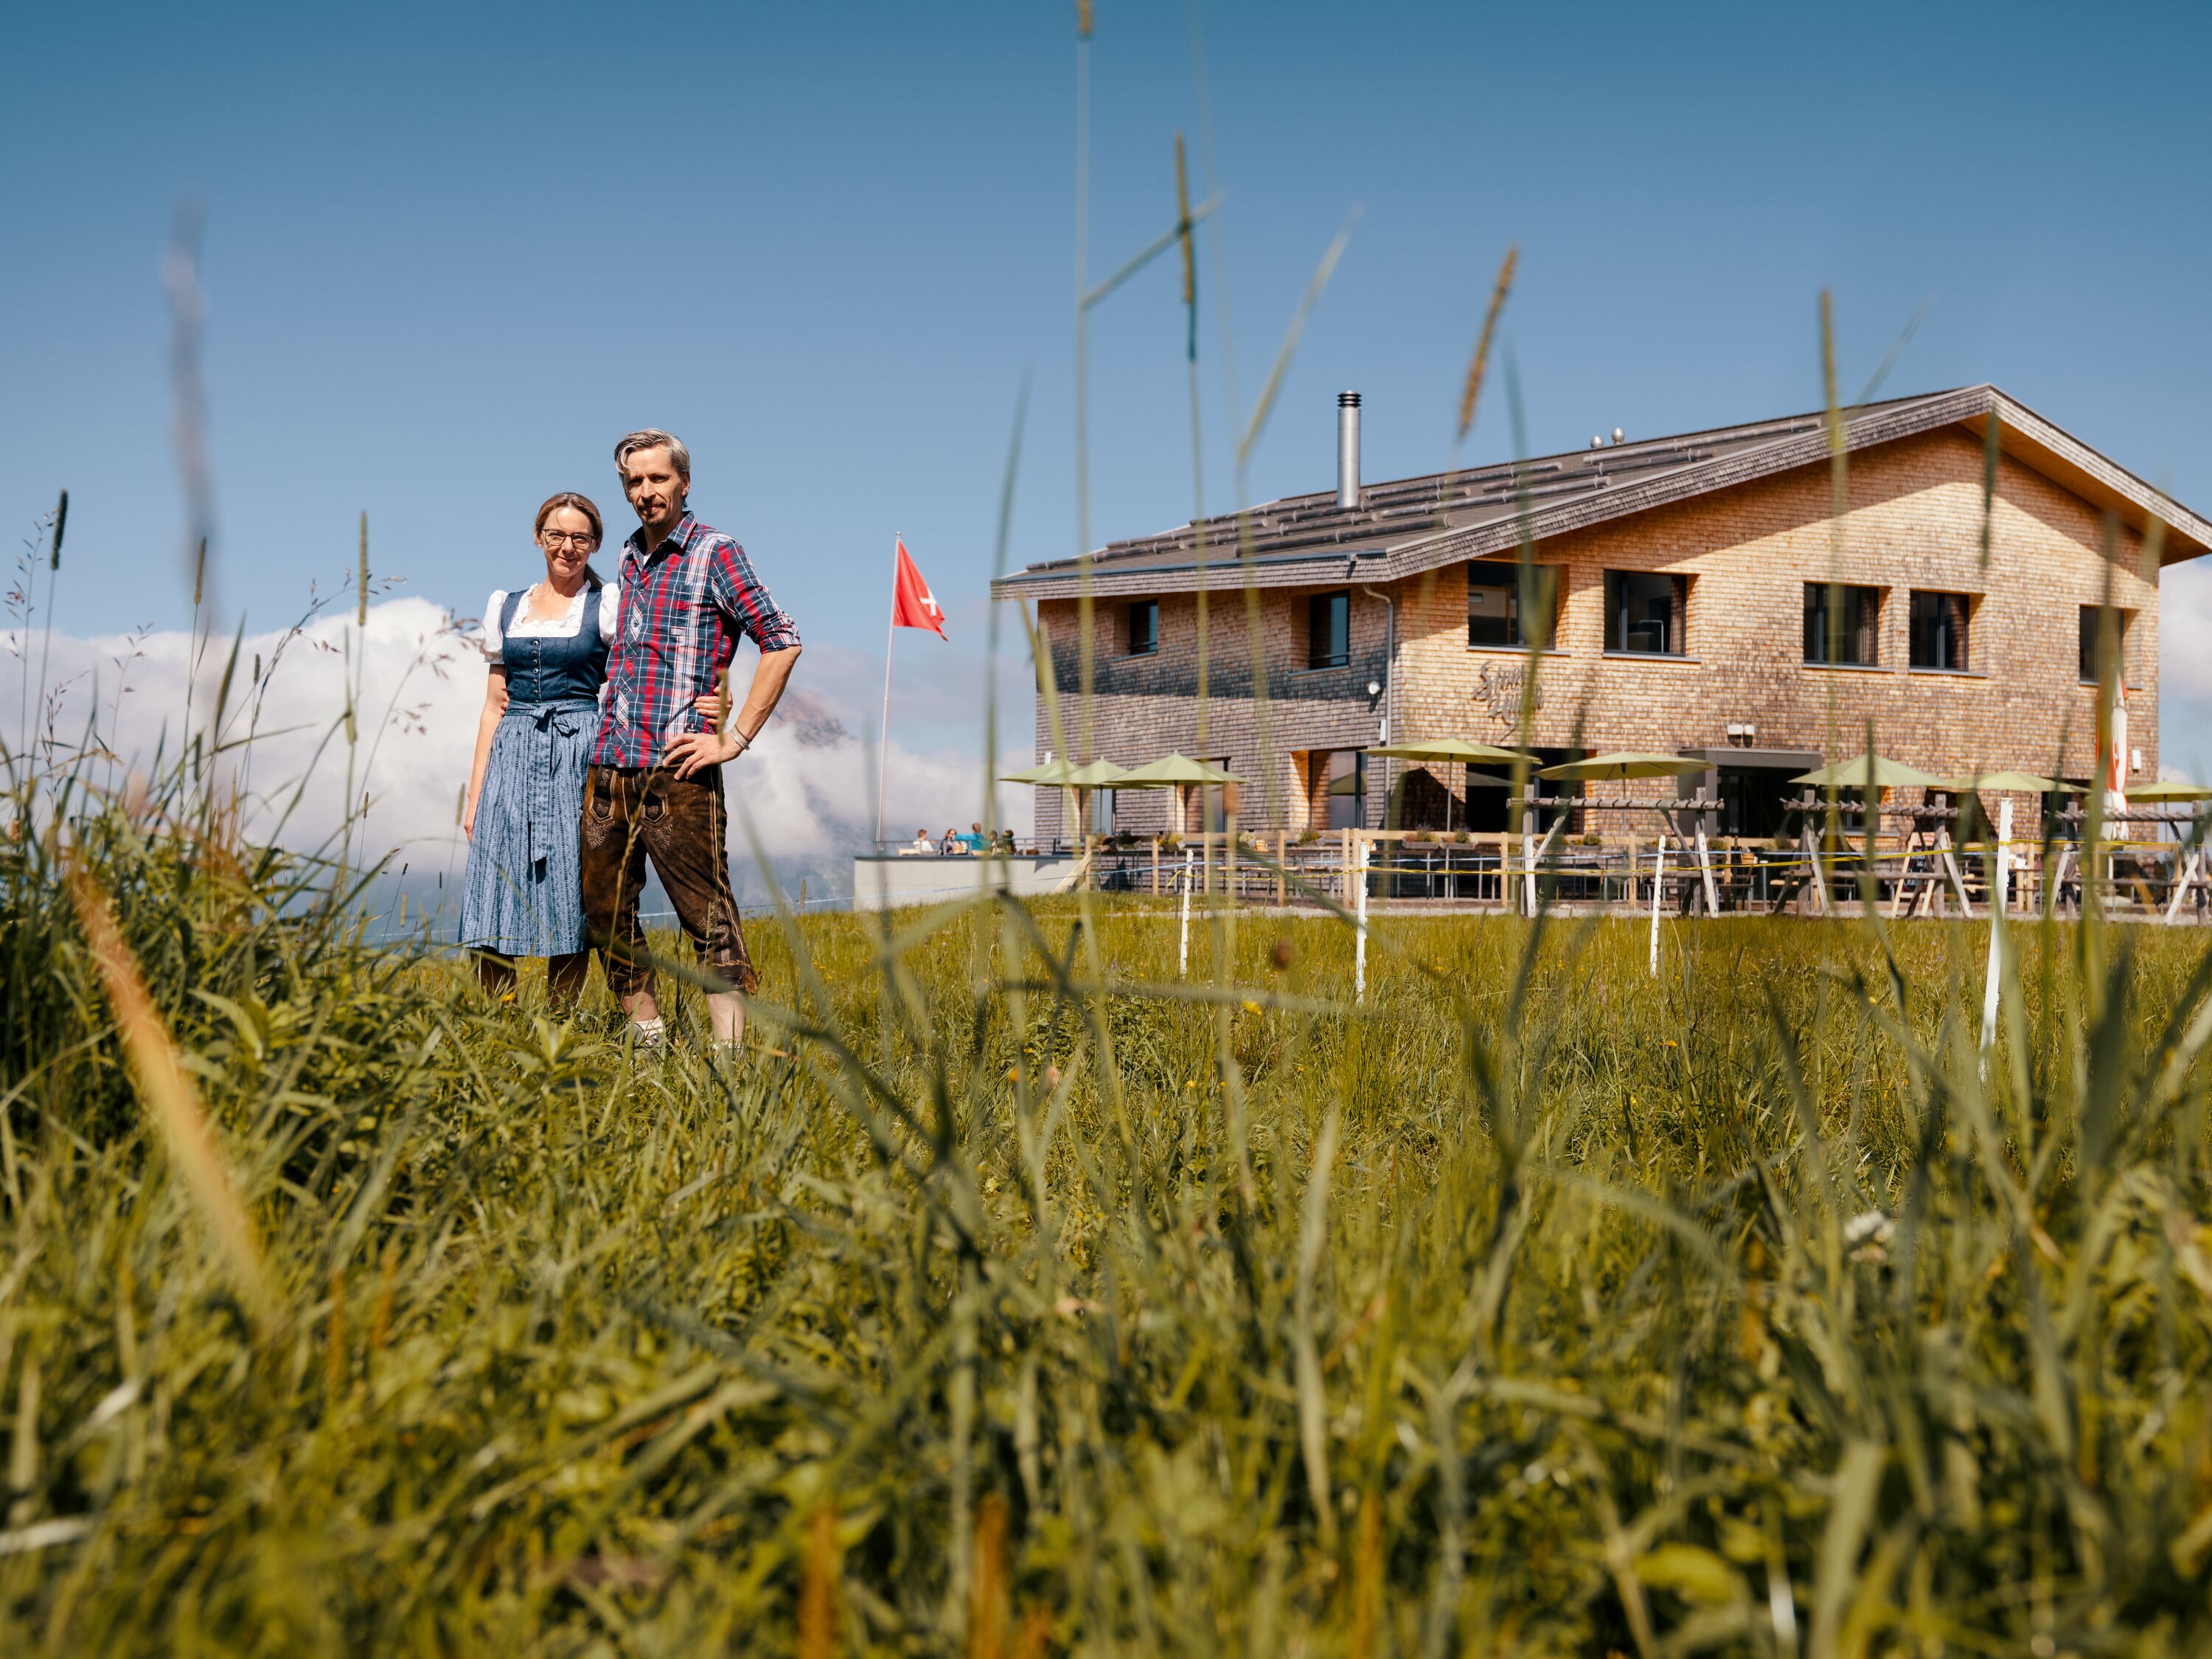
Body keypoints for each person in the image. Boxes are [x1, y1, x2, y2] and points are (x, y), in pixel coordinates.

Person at [581, 429, 801, 1053]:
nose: (647, 492)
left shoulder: (715, 552)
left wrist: (734, 738)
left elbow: (782, 639)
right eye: (635, 482)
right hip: (609, 766)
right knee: (605, 916)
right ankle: (649, 1051)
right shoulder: (625, 558)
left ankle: (730, 1066)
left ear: (684, 482)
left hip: (678, 771)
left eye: (658, 479)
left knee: (707, 921)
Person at [460, 493, 721, 1010]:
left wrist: (713, 695)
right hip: (510, 754)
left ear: (596, 544)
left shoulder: (608, 604)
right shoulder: (505, 606)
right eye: (556, 535)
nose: (567, 547)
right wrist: (475, 797)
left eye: (580, 537)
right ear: (539, 538)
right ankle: (499, 1023)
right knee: (492, 893)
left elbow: (658, 661)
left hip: (578, 750)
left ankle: (558, 1024)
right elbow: (492, 706)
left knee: (568, 893)